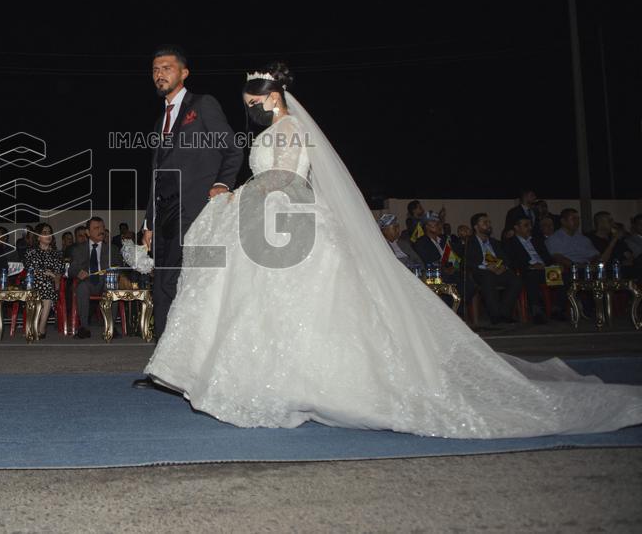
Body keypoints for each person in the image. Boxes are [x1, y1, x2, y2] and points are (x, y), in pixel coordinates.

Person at [143, 62, 642, 437]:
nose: (246, 106)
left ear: (271, 97)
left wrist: (241, 195)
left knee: (294, 305)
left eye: (251, 99)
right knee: (260, 304)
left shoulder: (290, 130)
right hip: (272, 222)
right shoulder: (275, 130)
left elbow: (287, 180)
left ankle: (308, 381)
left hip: (287, 219)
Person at [134, 45, 242, 388]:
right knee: (162, 288)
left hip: (197, 210)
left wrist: (223, 183)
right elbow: (156, 174)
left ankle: (193, 368)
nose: (159, 73)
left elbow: (233, 147)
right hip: (165, 215)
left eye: (167, 67)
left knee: (188, 286)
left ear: (184, 73)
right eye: (155, 68)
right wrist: (149, 222)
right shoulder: (158, 122)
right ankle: (165, 370)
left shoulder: (203, 105)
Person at [464, 213, 523, 325]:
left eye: (489, 222)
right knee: (488, 277)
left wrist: (503, 267)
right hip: (481, 272)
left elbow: (506, 259)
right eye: (485, 222)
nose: (489, 225)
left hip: (498, 270)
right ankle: (495, 316)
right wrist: (486, 267)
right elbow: (468, 261)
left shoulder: (495, 243)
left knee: (516, 280)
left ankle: (505, 314)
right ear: (476, 227)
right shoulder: (469, 242)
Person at [69, 217, 124, 331]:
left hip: (106, 281)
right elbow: (71, 269)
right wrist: (78, 272)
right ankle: (84, 327)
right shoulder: (78, 249)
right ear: (88, 232)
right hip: (87, 281)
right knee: (82, 287)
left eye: (102, 227)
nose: (101, 231)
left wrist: (113, 272)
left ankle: (111, 327)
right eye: (96, 228)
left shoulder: (112, 249)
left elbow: (119, 267)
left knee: (112, 287)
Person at [21, 222, 65, 337]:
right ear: (38, 236)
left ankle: (41, 328)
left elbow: (59, 271)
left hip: (50, 284)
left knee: (47, 284)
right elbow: (29, 268)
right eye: (45, 233)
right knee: (42, 281)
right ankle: (35, 327)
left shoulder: (57, 254)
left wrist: (55, 277)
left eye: (50, 233)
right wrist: (45, 272)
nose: (48, 235)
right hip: (32, 282)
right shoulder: (30, 252)